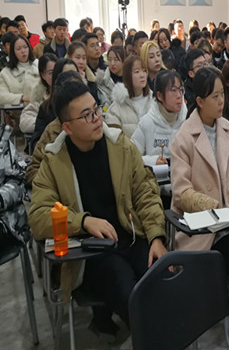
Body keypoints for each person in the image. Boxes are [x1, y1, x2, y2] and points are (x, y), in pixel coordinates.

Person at [28, 78, 167, 332]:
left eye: (96, 110)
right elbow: (38, 216)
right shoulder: (54, 160)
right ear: (67, 127)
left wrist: (157, 236)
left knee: (164, 282)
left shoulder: (119, 145)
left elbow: (145, 192)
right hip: (92, 253)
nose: (97, 119)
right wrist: (82, 221)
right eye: (87, 115)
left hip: (132, 237)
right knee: (129, 292)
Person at [170, 67, 229, 350]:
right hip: (204, 227)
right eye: (215, 96)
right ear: (199, 101)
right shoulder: (183, 139)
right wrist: (213, 207)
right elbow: (181, 192)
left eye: (222, 94)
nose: (221, 101)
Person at [132, 70, 186, 166]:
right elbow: (131, 157)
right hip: (156, 174)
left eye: (180, 89)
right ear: (160, 96)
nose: (179, 95)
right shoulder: (146, 123)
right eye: (173, 90)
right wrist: (152, 161)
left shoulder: (188, 120)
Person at [28, 59, 79, 156]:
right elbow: (36, 143)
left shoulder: (87, 105)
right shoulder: (46, 108)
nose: (72, 80)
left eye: (75, 75)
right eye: (67, 76)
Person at [106, 55, 153, 137]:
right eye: (137, 72)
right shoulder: (116, 108)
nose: (142, 75)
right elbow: (116, 139)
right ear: (128, 75)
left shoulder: (154, 101)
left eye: (144, 71)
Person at [20, 53, 57, 134]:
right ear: (43, 75)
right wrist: (48, 124)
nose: (55, 76)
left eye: (57, 71)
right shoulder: (39, 97)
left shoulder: (67, 91)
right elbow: (25, 123)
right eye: (51, 73)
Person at [0, 34, 39, 107]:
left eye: (25, 47)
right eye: (18, 49)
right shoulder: (6, 73)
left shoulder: (39, 65)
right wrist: (21, 98)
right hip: (17, 112)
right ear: (13, 52)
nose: (23, 51)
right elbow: (2, 96)